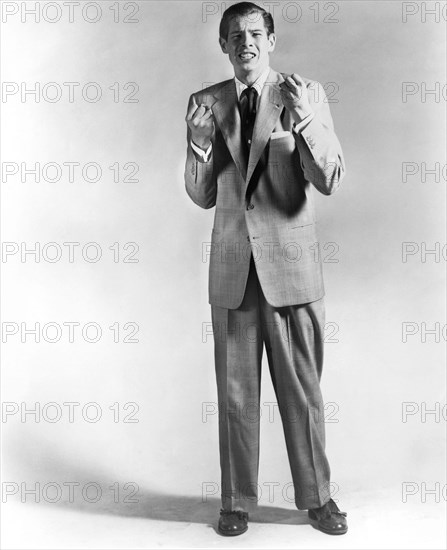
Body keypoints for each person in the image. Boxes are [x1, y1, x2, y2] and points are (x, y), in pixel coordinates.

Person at [184, 1, 347, 537]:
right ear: (224, 46)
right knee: (234, 396)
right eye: (234, 35)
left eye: (255, 33)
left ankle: (319, 498)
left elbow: (328, 178)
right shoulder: (205, 103)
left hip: (292, 270)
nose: (245, 42)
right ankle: (234, 502)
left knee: (303, 392)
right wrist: (199, 144)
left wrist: (301, 122)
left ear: (271, 40)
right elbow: (201, 195)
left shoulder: (306, 93)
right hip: (233, 271)